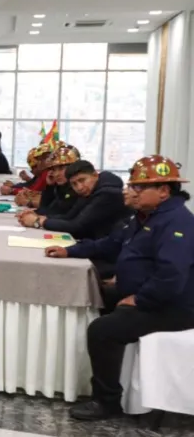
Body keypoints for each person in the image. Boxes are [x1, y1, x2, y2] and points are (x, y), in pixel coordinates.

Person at [45, 156, 194, 421]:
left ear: (163, 191)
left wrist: (140, 299)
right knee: (95, 296)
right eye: (132, 185)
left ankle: (107, 401)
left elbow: (171, 277)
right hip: (147, 295)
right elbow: (109, 244)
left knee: (102, 331)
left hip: (172, 307)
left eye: (139, 187)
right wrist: (69, 251)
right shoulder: (144, 217)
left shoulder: (177, 223)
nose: (130, 192)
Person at [18, 160, 129, 239]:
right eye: (74, 184)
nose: (79, 187)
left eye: (82, 180)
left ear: (95, 175)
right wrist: (39, 216)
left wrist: (38, 221)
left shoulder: (108, 194)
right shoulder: (89, 190)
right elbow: (68, 216)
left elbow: (76, 226)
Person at [35, 145, 79, 216]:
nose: (56, 174)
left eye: (61, 168)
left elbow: (57, 214)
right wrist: (49, 186)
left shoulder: (76, 189)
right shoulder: (61, 187)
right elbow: (45, 208)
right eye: (54, 170)